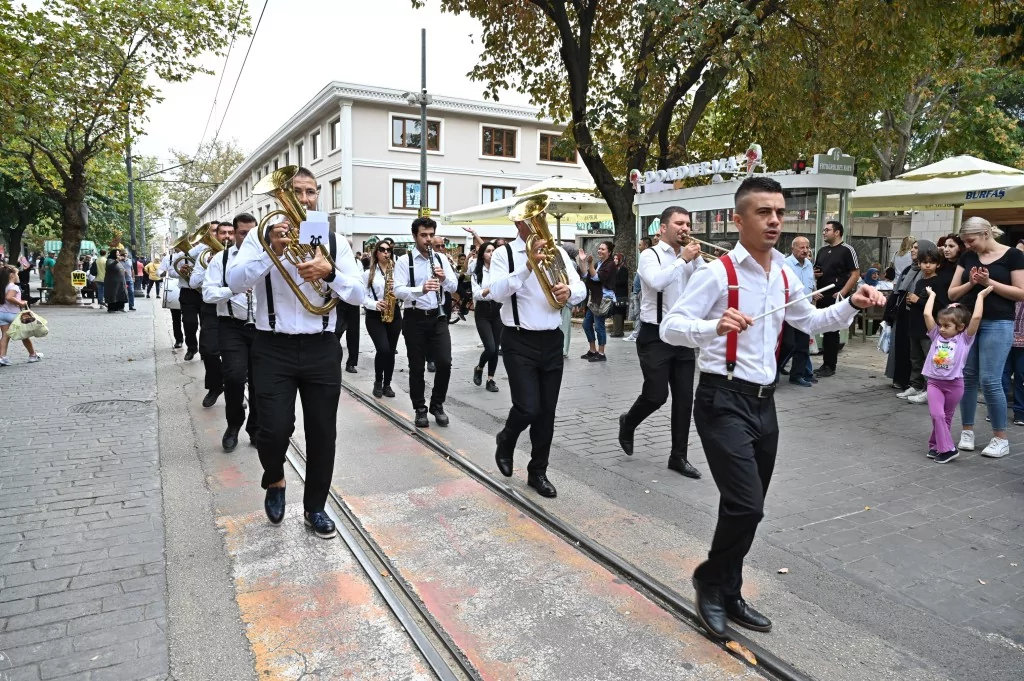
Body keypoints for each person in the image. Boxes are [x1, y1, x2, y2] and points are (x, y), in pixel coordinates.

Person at [659, 176, 886, 640]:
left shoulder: (784, 273)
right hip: (721, 398)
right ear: (739, 220)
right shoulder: (717, 272)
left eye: (779, 212)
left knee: (744, 504)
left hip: (765, 404)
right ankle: (709, 580)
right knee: (747, 505)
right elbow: (670, 326)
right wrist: (711, 326)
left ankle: (730, 590)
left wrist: (850, 305)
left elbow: (811, 321)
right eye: (764, 212)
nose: (775, 220)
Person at [226, 166, 365, 539]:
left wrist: (330, 272)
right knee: (271, 430)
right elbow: (235, 283)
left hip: (321, 346)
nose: (304, 199)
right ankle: (274, 480)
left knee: (323, 433)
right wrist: (271, 250)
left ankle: (315, 507)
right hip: (273, 347)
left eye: (310, 192)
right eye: (296, 192)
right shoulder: (259, 236)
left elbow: (358, 295)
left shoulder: (332, 240)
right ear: (280, 198)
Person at [488, 202, 587, 498]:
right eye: (531, 219)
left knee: (547, 413)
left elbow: (580, 288)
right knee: (528, 407)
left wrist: (570, 292)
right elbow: (495, 292)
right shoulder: (504, 254)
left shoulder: (557, 253)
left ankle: (537, 471)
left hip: (552, 340)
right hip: (519, 340)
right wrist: (527, 266)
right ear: (519, 225)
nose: (537, 223)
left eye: (539, 217)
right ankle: (506, 439)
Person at [618, 206, 704, 478]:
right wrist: (683, 260)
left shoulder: (691, 256)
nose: (685, 228)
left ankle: (678, 456)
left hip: (683, 334)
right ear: (663, 228)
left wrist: (697, 261)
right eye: (679, 223)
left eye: (688, 223)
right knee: (656, 395)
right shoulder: (649, 255)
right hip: (655, 334)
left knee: (684, 399)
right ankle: (628, 422)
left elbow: (705, 284)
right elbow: (655, 282)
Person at [948, 217, 1024, 458]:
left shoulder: (1013, 255)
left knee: (990, 379)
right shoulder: (967, 257)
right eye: (965, 242)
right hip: (968, 322)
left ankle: (1000, 437)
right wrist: (971, 283)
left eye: (970, 241)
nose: (968, 246)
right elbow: (952, 293)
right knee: (967, 377)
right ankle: (967, 431)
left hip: (998, 322)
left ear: (985, 234)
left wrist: (989, 282)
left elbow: (1021, 293)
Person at [393, 217, 458, 428]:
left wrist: (443, 280)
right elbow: (398, 290)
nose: (428, 239)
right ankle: (419, 408)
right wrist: (420, 289)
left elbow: (453, 286)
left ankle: (437, 404)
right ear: (415, 236)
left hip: (437, 317)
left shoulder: (440, 258)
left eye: (431, 235)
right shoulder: (404, 261)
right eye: (423, 235)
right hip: (414, 317)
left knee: (444, 362)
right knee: (416, 367)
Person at [204, 214, 258, 452]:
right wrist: (232, 289)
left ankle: (256, 428)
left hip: (263, 327)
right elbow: (208, 293)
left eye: (252, 232)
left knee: (261, 382)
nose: (247, 237)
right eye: (243, 233)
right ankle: (234, 425)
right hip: (231, 325)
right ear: (234, 233)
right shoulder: (220, 259)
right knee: (234, 378)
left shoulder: (266, 257)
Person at [922, 285, 990, 463]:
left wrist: (981, 296)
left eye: (947, 326)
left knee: (946, 417)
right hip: (934, 382)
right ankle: (948, 449)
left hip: (955, 384)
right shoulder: (936, 335)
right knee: (937, 415)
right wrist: (932, 294)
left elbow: (976, 317)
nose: (942, 328)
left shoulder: (965, 339)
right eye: (941, 325)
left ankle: (935, 445)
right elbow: (927, 315)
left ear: (960, 327)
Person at [191, 222, 233, 408]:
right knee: (209, 350)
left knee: (235, 355)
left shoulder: (243, 254)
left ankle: (235, 391)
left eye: (229, 233)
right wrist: (209, 265)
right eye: (221, 233)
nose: (226, 236)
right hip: (212, 308)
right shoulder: (204, 255)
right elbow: (193, 283)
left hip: (236, 309)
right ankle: (215, 386)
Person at [904, 245, 952, 404]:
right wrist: (911, 301)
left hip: (929, 328)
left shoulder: (939, 282)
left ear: (938, 264)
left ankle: (929, 390)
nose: (927, 266)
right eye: (924, 262)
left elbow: (941, 306)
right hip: (915, 326)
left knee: (929, 360)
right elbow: (916, 302)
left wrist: (919, 301)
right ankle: (916, 385)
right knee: (916, 359)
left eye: (931, 262)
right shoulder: (920, 282)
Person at [813, 220, 860, 377]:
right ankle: (825, 363)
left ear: (837, 232)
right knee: (824, 329)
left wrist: (843, 292)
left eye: (827, 230)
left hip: (836, 296)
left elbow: (855, 273)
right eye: (824, 230)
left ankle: (829, 365)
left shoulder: (847, 250)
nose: (824, 232)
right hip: (821, 295)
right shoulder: (822, 251)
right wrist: (815, 277)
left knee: (832, 330)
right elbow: (816, 271)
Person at [362, 240, 402, 398]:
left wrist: (397, 289)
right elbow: (360, 296)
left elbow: (404, 292)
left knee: (391, 351)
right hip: (375, 315)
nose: (387, 253)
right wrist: (373, 304)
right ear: (376, 253)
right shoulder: (368, 274)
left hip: (394, 312)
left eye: (389, 250)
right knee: (383, 349)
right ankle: (378, 381)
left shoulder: (396, 271)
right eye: (383, 249)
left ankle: (387, 384)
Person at [779, 236, 816, 387]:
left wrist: (814, 293)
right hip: (788, 311)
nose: (805, 251)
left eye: (807, 247)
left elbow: (810, 285)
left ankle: (797, 375)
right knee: (787, 344)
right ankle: (774, 369)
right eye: (801, 247)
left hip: (804, 311)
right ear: (792, 248)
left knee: (802, 345)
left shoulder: (809, 265)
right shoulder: (784, 264)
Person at [885, 240, 922, 390]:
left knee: (913, 350)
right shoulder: (908, 269)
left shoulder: (925, 271)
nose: (912, 250)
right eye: (912, 247)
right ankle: (900, 378)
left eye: (916, 248)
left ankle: (914, 382)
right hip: (902, 312)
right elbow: (898, 290)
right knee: (900, 347)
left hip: (915, 313)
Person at [471, 241, 503, 393]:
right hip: (483, 311)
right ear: (482, 254)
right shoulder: (477, 272)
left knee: (495, 348)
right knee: (489, 347)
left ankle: (490, 379)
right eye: (488, 251)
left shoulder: (500, 271)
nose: (491, 253)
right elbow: (476, 293)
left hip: (497, 309)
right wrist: (489, 290)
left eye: (493, 251)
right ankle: (479, 367)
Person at [174, 226, 208, 361]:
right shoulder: (179, 256)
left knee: (205, 324)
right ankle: (192, 348)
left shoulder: (205, 252)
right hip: (187, 292)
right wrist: (181, 271)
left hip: (203, 292)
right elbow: (171, 271)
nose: (195, 244)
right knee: (189, 322)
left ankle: (205, 350)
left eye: (197, 242)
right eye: (192, 242)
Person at [581, 241, 618, 361]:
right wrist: (583, 261)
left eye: (603, 249)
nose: (600, 251)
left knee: (599, 326)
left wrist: (590, 263)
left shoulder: (610, 264)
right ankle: (592, 350)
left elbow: (596, 277)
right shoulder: (599, 263)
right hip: (595, 298)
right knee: (586, 324)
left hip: (603, 299)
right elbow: (587, 275)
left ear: (609, 252)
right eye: (599, 249)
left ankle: (601, 353)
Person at [0, 265, 42, 366]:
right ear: (11, 275)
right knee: (25, 335)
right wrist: (21, 303)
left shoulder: (2, 286)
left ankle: (2, 357)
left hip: (2, 314)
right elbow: (9, 297)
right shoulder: (13, 287)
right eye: (17, 274)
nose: (18, 276)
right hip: (13, 315)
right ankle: (33, 355)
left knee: (5, 336)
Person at [157, 251, 184, 349]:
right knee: (176, 318)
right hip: (174, 288)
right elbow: (160, 270)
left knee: (190, 319)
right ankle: (178, 339)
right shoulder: (169, 257)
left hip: (190, 289)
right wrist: (163, 273)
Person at [104, 249, 129, 313]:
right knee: (113, 294)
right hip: (113, 282)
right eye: (117, 253)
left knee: (121, 294)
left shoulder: (118, 261)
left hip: (121, 281)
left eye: (119, 253)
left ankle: (120, 307)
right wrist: (117, 260)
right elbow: (110, 267)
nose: (118, 254)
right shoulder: (109, 260)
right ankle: (112, 308)